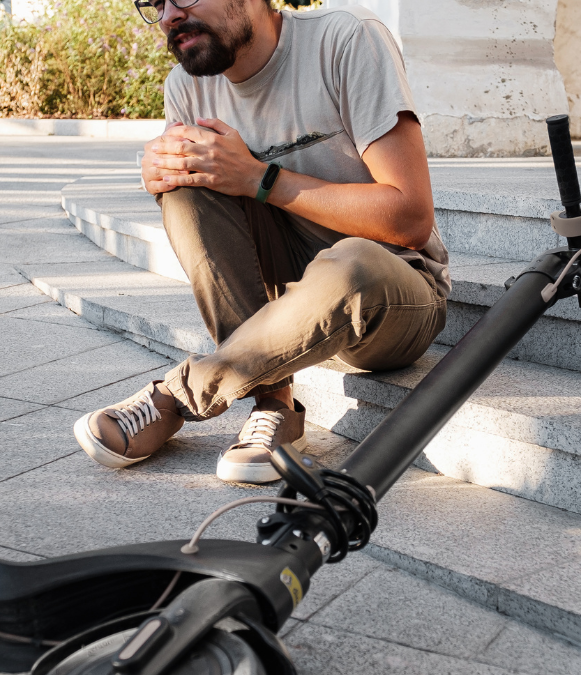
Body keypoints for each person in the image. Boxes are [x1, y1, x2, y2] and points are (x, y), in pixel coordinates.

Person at [72, 0, 450, 483]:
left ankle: (177, 394)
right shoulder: (187, 86)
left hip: (389, 297)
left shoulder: (345, 39)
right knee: (187, 183)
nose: (168, 16)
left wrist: (258, 178)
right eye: (154, 3)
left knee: (353, 260)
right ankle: (276, 406)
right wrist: (163, 175)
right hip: (283, 303)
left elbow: (410, 218)